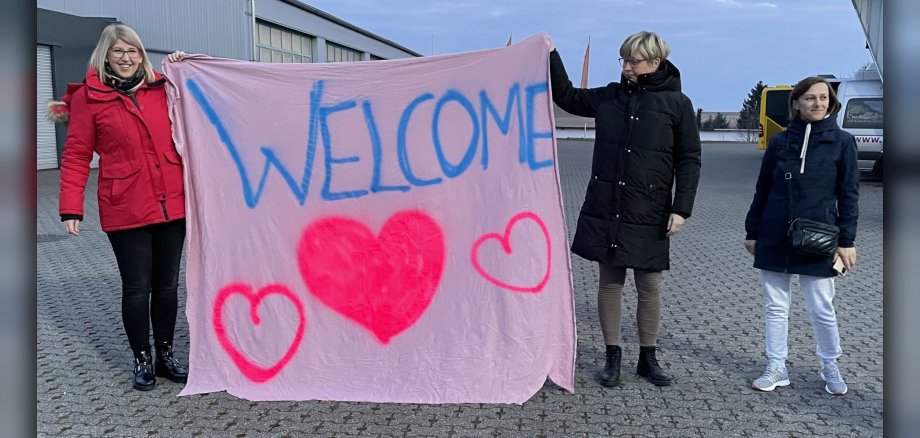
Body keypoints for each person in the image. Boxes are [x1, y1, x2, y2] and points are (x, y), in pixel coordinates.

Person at [549, 31, 701, 387]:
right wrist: (551, 54)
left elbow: (690, 158)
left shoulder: (677, 105)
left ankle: (648, 358)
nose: (627, 67)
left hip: (651, 209)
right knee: (610, 282)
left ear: (655, 63)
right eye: (624, 60)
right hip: (609, 205)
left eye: (633, 61)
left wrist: (682, 209)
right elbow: (567, 96)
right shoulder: (610, 97)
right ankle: (612, 356)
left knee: (649, 285)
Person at [53, 24, 189, 391]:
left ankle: (166, 355)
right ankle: (141, 358)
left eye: (133, 51)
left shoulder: (165, 87)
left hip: (171, 204)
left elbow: (200, 111)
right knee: (137, 288)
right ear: (105, 56)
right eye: (119, 52)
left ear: (141, 54)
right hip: (125, 205)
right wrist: (70, 207)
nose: (127, 58)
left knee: (167, 288)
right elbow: (78, 154)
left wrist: (181, 66)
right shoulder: (88, 98)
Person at [744, 76, 858, 395]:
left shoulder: (842, 141)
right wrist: (752, 230)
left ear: (830, 102)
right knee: (776, 306)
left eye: (823, 98)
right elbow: (762, 189)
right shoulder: (780, 142)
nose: (818, 103)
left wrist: (847, 240)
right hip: (774, 234)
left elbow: (849, 195)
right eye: (810, 98)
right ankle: (776, 366)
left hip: (820, 238)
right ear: (796, 102)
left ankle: (830, 366)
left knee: (821, 306)